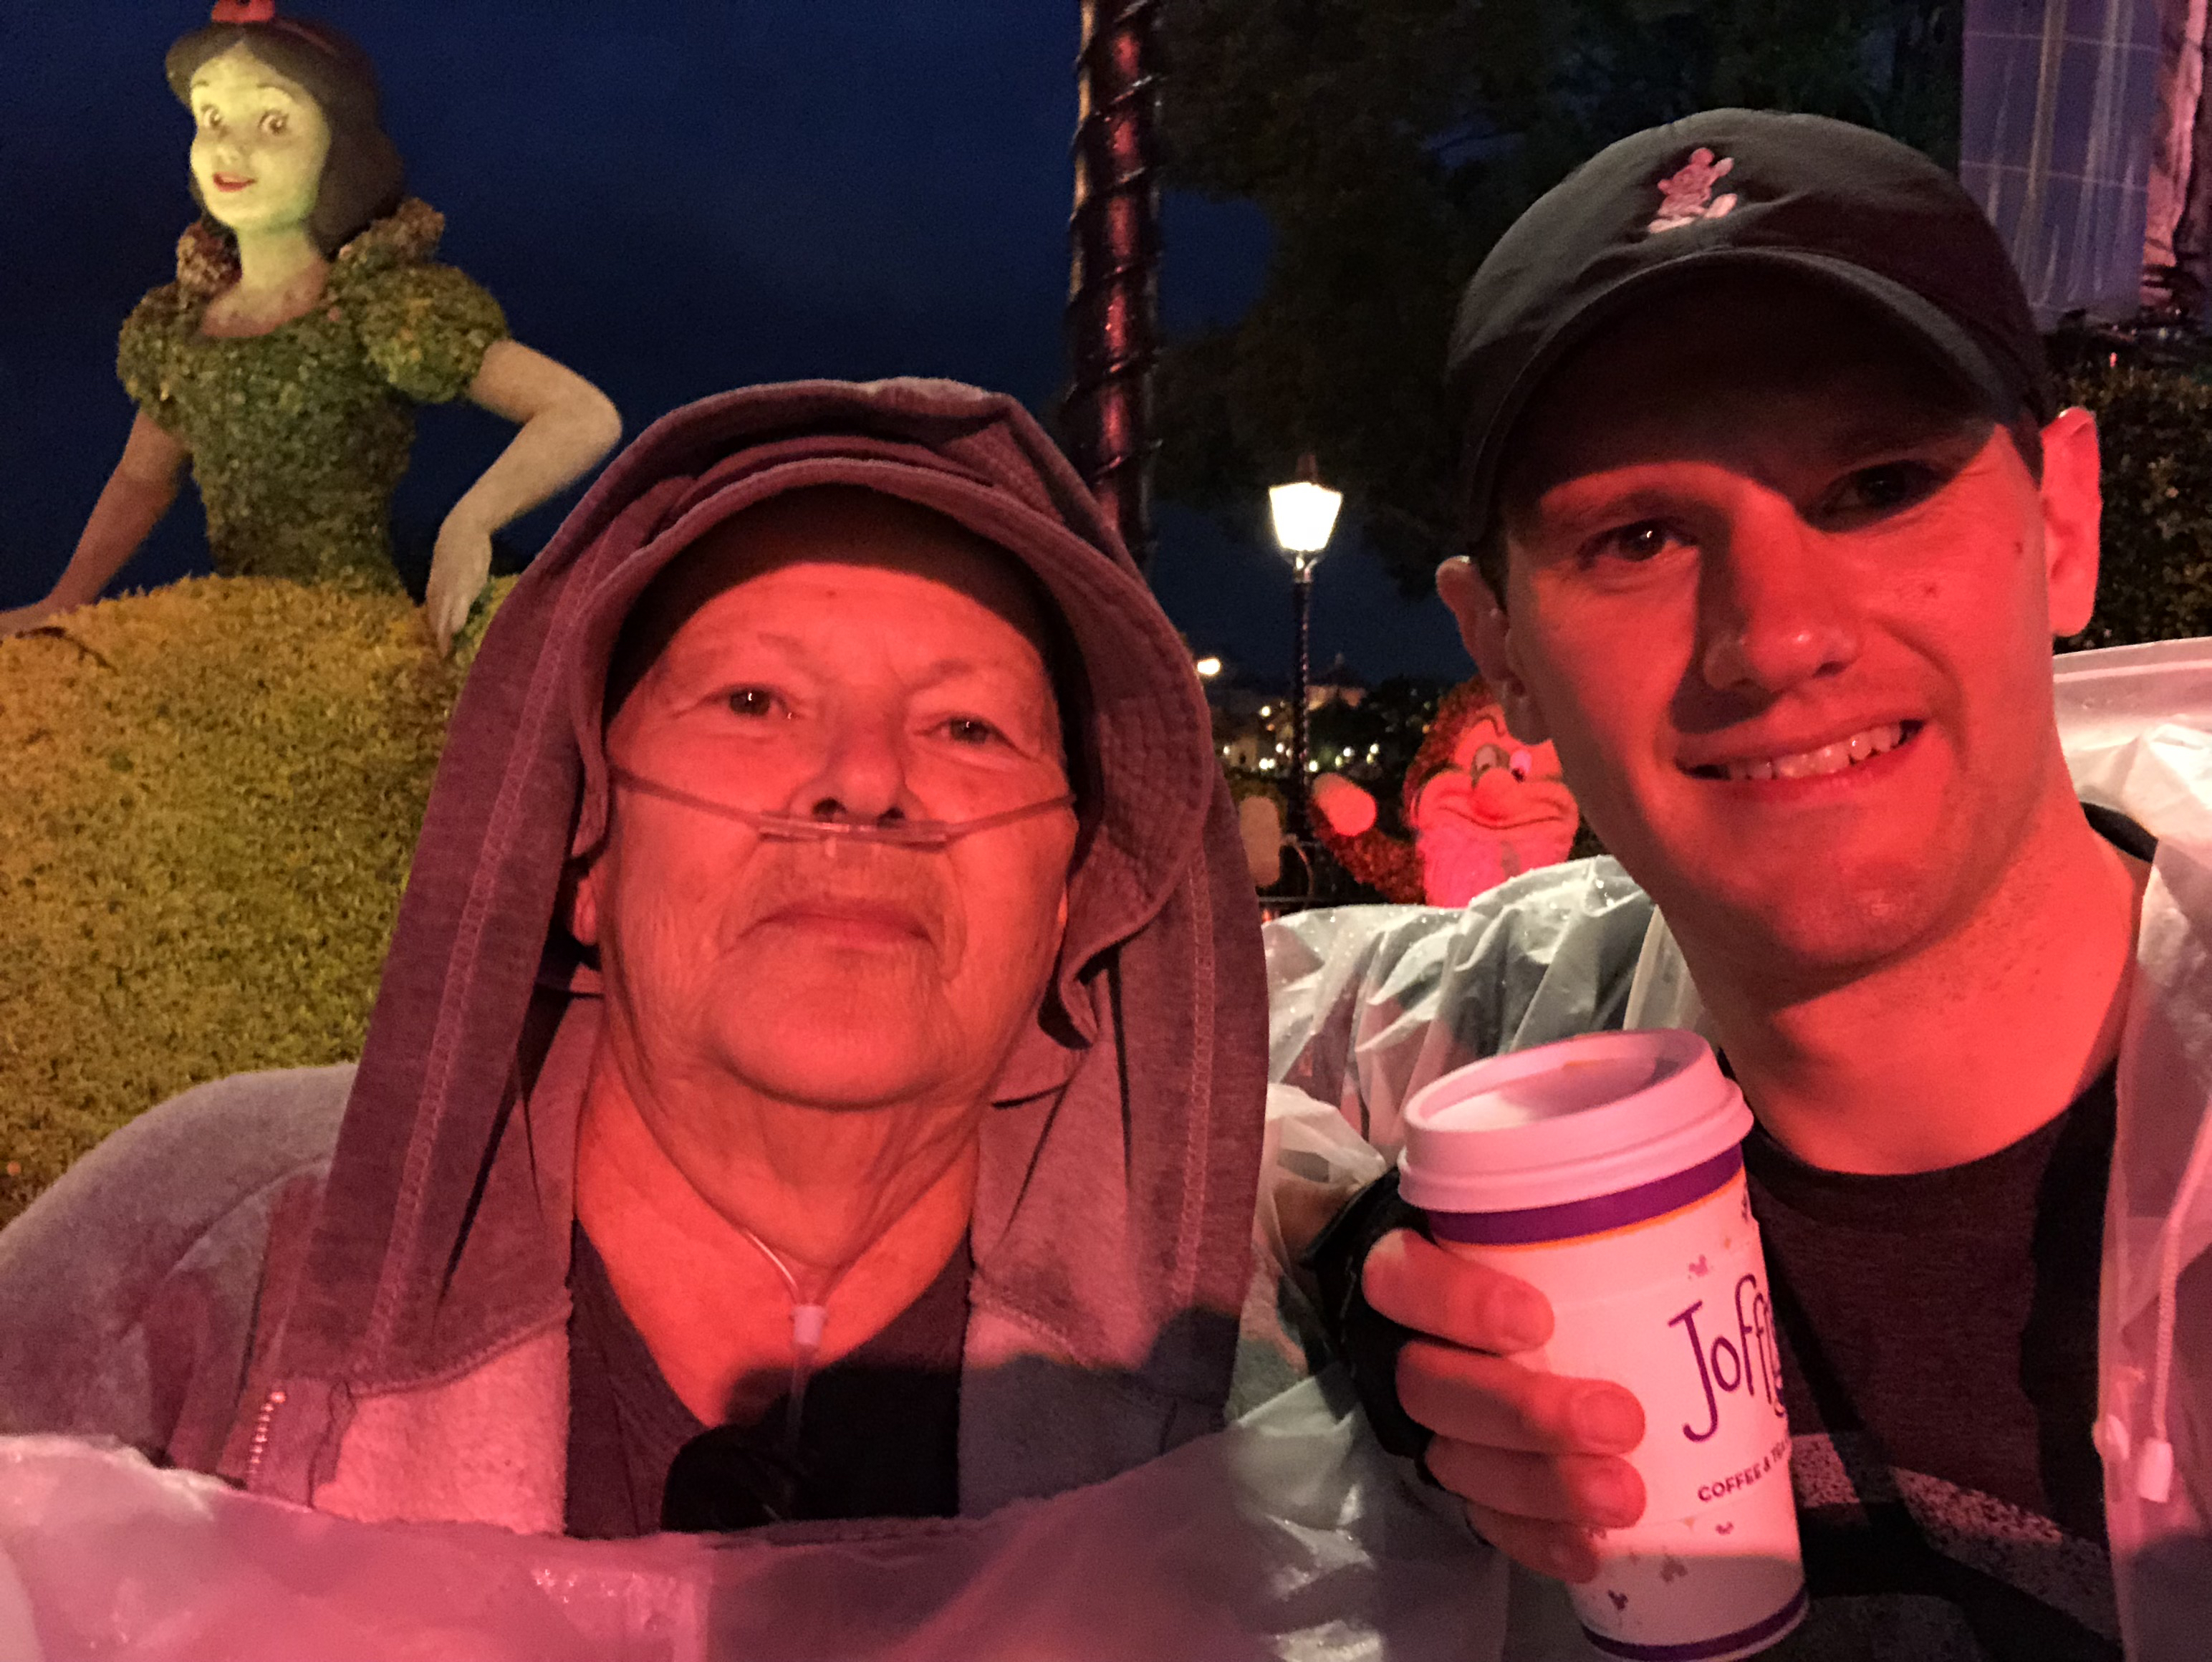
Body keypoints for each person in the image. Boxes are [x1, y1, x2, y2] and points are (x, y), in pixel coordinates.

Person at [0, 376, 1268, 1538]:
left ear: (1072, 895)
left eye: (969, 728)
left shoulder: (1265, 1374)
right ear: (584, 853)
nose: (865, 782)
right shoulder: (197, 1254)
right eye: (754, 702)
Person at [1268, 111, 2212, 1659]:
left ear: (2061, 520)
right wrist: (1341, 1245)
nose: (1773, 636)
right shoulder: (1504, 1028)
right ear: (1499, 649)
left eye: (1876, 485)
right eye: (1635, 535)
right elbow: (1111, 1038)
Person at [0, 4, 621, 655]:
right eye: (212, 118)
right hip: (235, 628)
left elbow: (582, 414)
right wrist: (64, 598)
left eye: (273, 123)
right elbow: (142, 478)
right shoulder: (180, 330)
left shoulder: (378, 310)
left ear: (338, 147)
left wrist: (471, 523)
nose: (230, 148)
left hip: (350, 634)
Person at [1309, 677, 1580, 905]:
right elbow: (1377, 858)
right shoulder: (1428, 863)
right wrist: (1344, 812)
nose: (1498, 783)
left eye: (1519, 771)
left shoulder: (1581, 870)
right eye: (1483, 764)